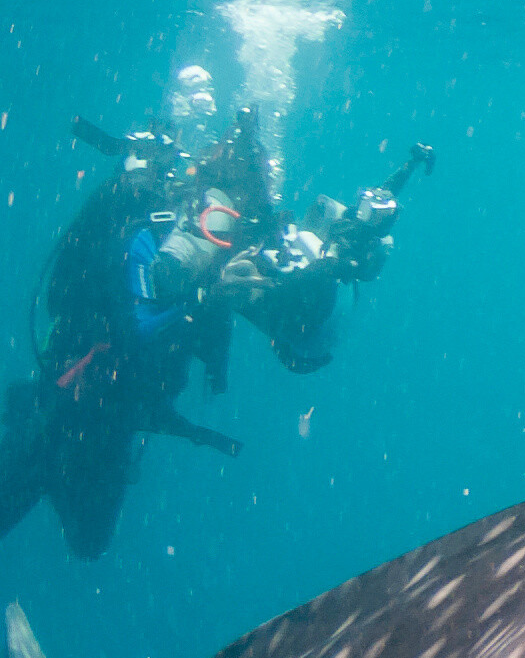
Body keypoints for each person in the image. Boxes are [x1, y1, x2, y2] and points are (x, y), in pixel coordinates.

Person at [7, 82, 425, 557]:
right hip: (78, 394)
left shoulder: (218, 223)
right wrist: (202, 295)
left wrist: (339, 249)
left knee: (89, 538)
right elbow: (140, 317)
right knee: (59, 500)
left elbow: (285, 317)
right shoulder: (173, 222)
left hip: (118, 405)